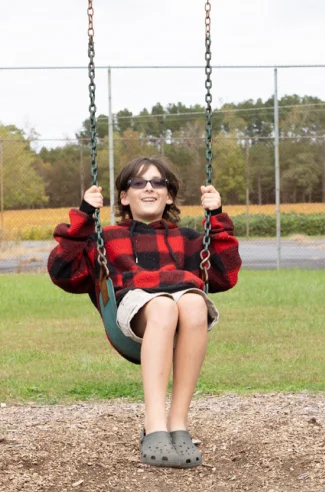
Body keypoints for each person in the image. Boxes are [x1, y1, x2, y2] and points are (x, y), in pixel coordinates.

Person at [48, 156, 241, 468]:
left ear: (170, 195)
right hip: (134, 311)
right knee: (163, 305)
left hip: (181, 312)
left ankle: (177, 423)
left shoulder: (189, 239)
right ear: (125, 197)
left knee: (193, 302)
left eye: (157, 182)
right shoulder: (107, 238)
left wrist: (216, 216)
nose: (149, 188)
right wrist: (85, 214)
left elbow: (225, 275)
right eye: (138, 183)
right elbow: (62, 270)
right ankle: (154, 425)